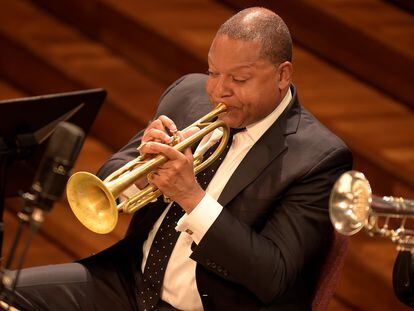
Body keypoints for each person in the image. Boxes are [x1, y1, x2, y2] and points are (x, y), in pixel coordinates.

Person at [5, 7, 352, 311]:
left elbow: (271, 274)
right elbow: (110, 174)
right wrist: (143, 171)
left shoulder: (319, 158)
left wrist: (191, 197)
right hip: (131, 284)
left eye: (239, 79)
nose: (218, 90)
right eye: (214, 72)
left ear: (282, 75)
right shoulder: (188, 94)